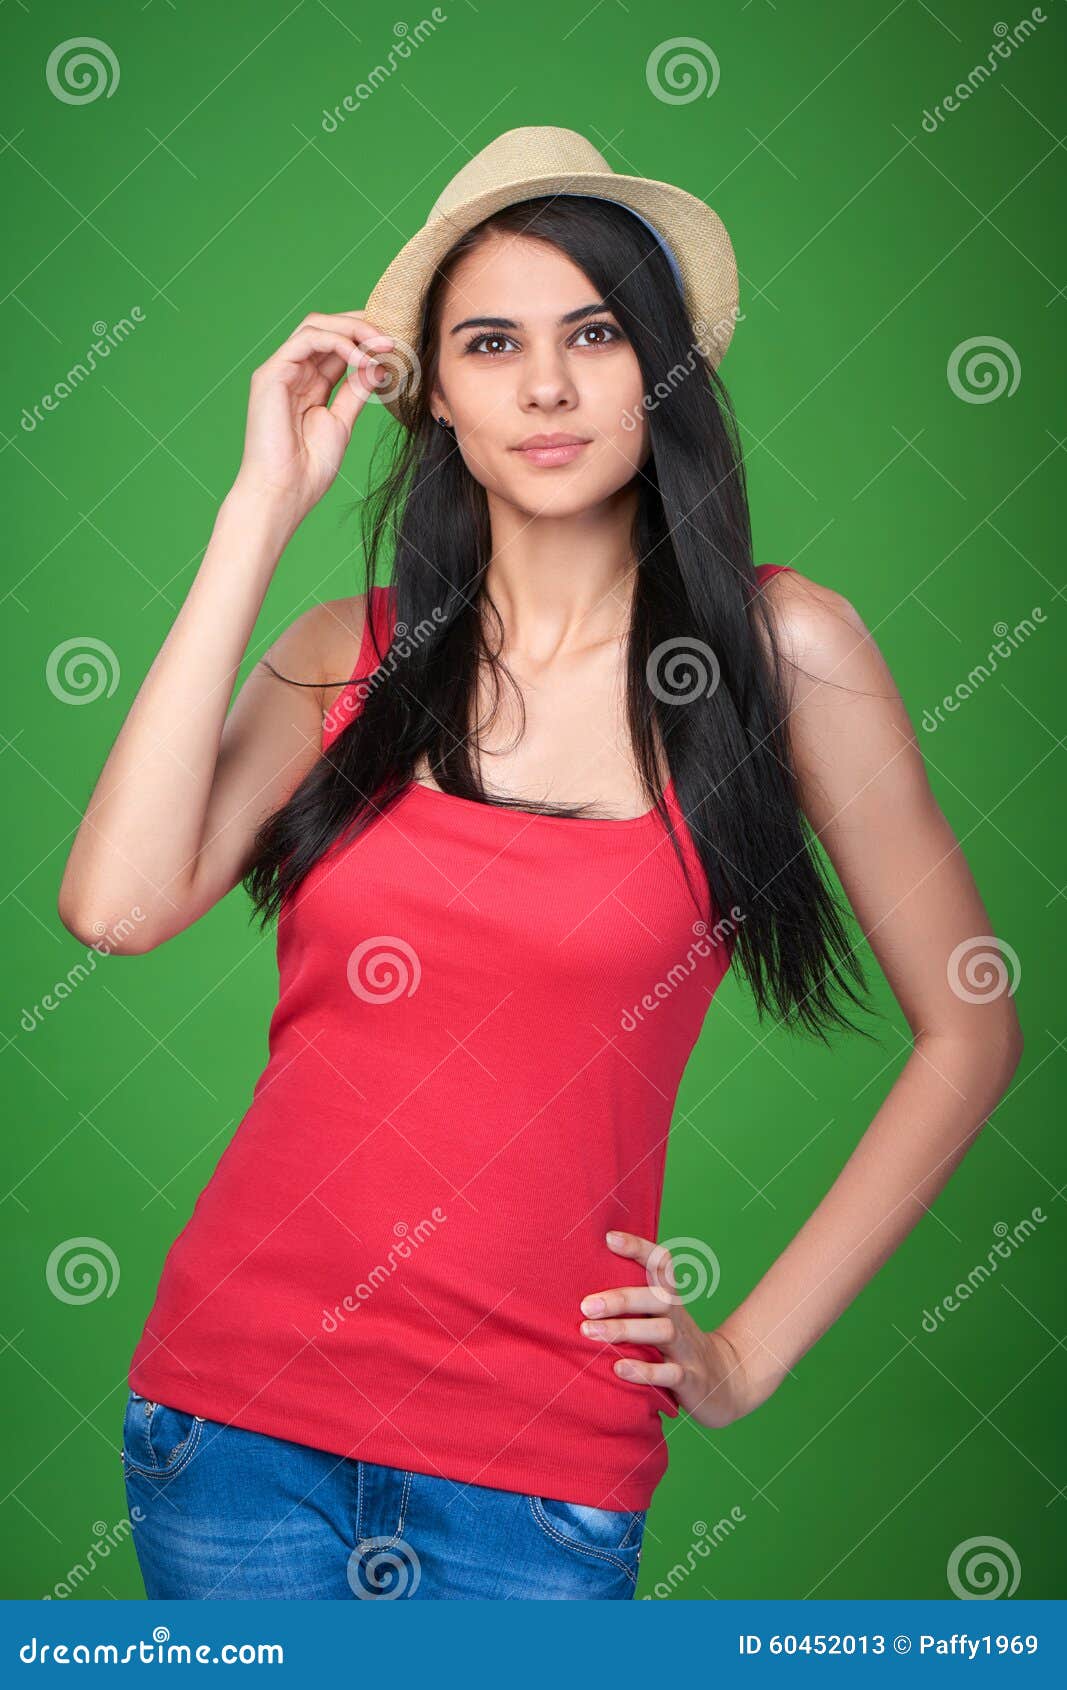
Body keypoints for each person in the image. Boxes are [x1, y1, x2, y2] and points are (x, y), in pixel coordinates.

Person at [58, 127, 1023, 1601]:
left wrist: (745, 1352)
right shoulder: (348, 659)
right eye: (492, 343)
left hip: (537, 1477)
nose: (550, 386)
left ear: (666, 372)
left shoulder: (788, 654)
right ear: (436, 394)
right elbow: (115, 906)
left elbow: (973, 1022)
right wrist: (261, 511)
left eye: (595, 335)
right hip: (228, 1428)